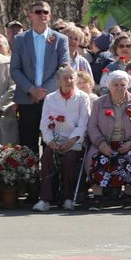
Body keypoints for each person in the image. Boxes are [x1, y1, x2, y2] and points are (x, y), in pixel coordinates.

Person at [11, 2, 70, 152]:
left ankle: (49, 175)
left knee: (51, 144)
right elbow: (15, 69)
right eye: (38, 12)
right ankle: (30, 175)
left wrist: (43, 92)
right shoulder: (19, 39)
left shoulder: (60, 39)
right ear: (30, 15)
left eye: (45, 12)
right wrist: (31, 89)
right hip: (26, 98)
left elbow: (63, 67)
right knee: (27, 145)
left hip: (51, 99)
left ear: (50, 16)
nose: (42, 15)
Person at [86, 70, 131, 208]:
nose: (119, 88)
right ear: (109, 86)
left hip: (130, 143)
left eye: (122, 85)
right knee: (98, 157)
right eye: (115, 85)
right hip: (104, 142)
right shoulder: (99, 103)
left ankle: (128, 196)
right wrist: (101, 144)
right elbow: (92, 126)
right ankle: (98, 196)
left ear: (128, 85)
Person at [37, 64, 91, 210]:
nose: (68, 81)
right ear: (59, 81)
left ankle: (67, 197)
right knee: (47, 156)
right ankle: (45, 199)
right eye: (65, 78)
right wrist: (50, 141)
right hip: (55, 140)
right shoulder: (50, 98)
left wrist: (72, 140)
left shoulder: (82, 98)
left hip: (74, 140)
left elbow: (83, 123)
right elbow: (44, 123)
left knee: (69, 159)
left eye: (71, 78)